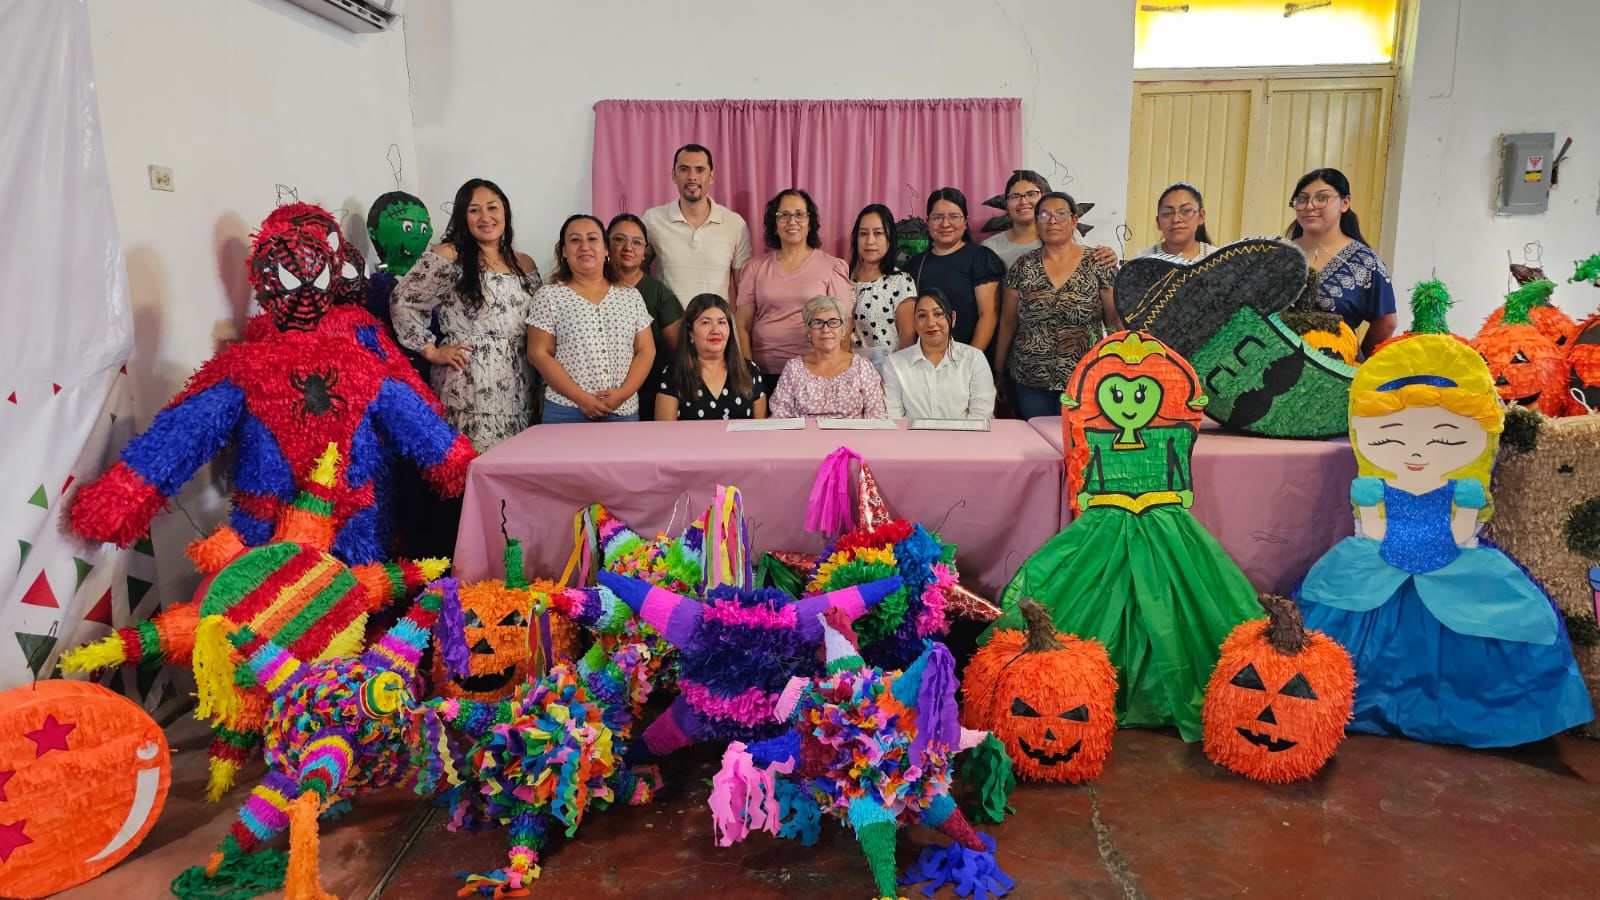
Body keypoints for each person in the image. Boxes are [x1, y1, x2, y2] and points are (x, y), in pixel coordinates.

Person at [1296, 335, 1592, 746]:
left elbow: (1458, 532)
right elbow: (1373, 530)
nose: (1416, 453)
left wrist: (1466, 513)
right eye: (1389, 439)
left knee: (1490, 625)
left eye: (1446, 439)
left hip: (1456, 561)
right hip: (1377, 563)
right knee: (1341, 613)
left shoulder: (1460, 493)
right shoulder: (1376, 489)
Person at [392, 177, 541, 451]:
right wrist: (431, 351)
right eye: (474, 210)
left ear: (505, 212)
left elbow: (540, 322)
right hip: (469, 386)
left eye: (492, 207)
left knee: (515, 471)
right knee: (472, 471)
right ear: (463, 217)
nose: (485, 217)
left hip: (520, 384)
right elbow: (403, 299)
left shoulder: (524, 263)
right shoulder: (450, 255)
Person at [995, 191, 1121, 420]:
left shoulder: (1099, 262)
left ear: (1074, 220)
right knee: (1035, 446)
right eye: (1044, 215)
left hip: (1085, 376)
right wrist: (998, 370)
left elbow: (1113, 320)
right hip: (1030, 379)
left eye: (1060, 214)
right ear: (1036, 223)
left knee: (1078, 446)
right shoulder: (1022, 267)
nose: (1052, 220)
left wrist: (1120, 364)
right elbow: (1008, 322)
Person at [527, 214, 655, 423]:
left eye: (592, 239)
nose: (584, 246)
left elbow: (646, 350)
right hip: (566, 411)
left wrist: (623, 394)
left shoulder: (630, 295)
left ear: (605, 249)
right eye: (575, 240)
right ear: (564, 252)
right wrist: (581, 398)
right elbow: (538, 353)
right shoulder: (549, 295)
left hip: (623, 411)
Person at [735, 188, 855, 393]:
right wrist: (748, 372)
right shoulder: (754, 268)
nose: (792, 221)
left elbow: (844, 324)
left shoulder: (832, 266)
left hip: (815, 371)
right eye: (784, 215)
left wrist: (837, 373)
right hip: (764, 372)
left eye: (799, 214)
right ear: (774, 224)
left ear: (810, 223)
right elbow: (742, 324)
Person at [1287, 167, 1397, 356]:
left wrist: (1354, 361)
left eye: (1322, 198)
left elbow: (1386, 322)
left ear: (1344, 203)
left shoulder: (1364, 262)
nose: (1310, 206)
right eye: (1302, 199)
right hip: (1270, 368)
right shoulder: (1278, 254)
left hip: (1333, 373)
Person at [642, 143, 753, 306]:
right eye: (684, 169)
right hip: (668, 327)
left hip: (716, 328)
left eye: (700, 170)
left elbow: (744, 291)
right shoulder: (653, 219)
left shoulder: (735, 224)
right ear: (674, 175)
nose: (692, 177)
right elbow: (634, 272)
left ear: (712, 176)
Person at [905, 188, 1006, 354]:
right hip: (926, 361)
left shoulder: (980, 258)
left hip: (970, 358)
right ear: (928, 221)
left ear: (965, 222)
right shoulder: (915, 264)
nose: (945, 224)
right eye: (937, 217)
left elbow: (988, 314)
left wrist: (969, 362)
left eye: (954, 216)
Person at [608, 213, 682, 419]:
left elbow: (676, 351)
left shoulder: (658, 293)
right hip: (594, 392)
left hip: (648, 391)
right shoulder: (591, 286)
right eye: (619, 239)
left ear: (644, 253)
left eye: (637, 242)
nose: (628, 247)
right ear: (606, 245)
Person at [882, 288, 995, 420]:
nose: (930, 323)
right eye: (922, 316)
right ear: (914, 323)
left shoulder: (974, 359)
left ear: (952, 319)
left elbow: (980, 415)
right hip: (912, 440)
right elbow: (894, 416)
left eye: (938, 314)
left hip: (962, 439)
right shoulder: (895, 363)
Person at [654, 293, 768, 421]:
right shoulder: (673, 374)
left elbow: (760, 430)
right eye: (706, 322)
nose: (715, 330)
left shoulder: (750, 371)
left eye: (722, 322)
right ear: (690, 332)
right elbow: (665, 434)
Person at [769, 295, 886, 419]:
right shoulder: (793, 369)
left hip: (852, 438)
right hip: (804, 438)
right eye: (818, 323)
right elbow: (780, 416)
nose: (826, 329)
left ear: (844, 329)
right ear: (809, 331)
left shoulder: (862, 367)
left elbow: (876, 416)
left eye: (833, 322)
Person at [982, 169, 1120, 271]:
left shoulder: (1068, 236)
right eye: (1015, 196)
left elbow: (1084, 269)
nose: (1023, 201)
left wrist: (1107, 258)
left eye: (1031, 194)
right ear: (1006, 203)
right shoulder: (990, 248)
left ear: (1045, 198)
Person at [848, 203, 918, 371]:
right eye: (863, 233)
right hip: (850, 376)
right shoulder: (843, 279)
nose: (870, 241)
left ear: (889, 238)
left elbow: (907, 339)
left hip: (888, 374)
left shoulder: (901, 281)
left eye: (878, 233)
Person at [1132, 182, 1219, 261]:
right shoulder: (1141, 260)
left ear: (1201, 216)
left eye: (1185, 211)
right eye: (1167, 213)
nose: (1176, 219)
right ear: (1158, 222)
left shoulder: (1218, 261)